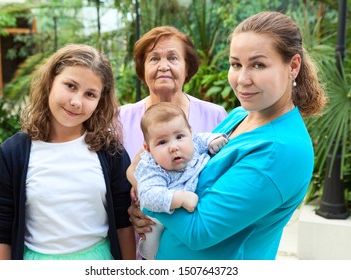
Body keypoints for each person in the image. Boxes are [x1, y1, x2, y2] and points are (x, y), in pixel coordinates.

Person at [128, 11, 328, 259]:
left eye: (258, 65)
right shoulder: (238, 115)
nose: (242, 79)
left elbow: (199, 231)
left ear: (293, 66)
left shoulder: (282, 149)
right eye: (236, 65)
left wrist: (147, 191)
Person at [0, 44, 136, 260]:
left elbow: (124, 225)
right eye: (70, 86)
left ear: (100, 101)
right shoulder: (13, 154)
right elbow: (1, 232)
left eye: (90, 94)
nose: (76, 102)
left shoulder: (111, 152)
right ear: (50, 83)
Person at [118, 25, 227, 259]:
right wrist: (129, 212)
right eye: (154, 58)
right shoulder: (119, 120)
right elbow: (110, 187)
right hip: (139, 243)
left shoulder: (215, 116)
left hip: (195, 245)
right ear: (142, 69)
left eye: (173, 57)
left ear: (187, 67)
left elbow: (224, 182)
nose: (163, 65)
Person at [133, 102, 227, 259]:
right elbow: (149, 196)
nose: (174, 147)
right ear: (148, 149)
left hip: (198, 219)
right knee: (152, 239)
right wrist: (180, 198)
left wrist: (214, 141)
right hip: (161, 218)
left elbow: (204, 138)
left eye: (179, 137)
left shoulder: (195, 141)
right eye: (162, 142)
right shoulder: (152, 167)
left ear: (190, 133)